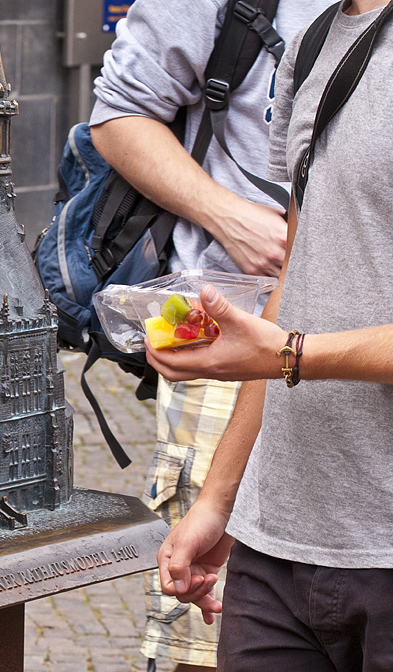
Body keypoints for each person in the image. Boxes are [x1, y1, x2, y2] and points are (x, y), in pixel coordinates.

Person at [87, 1, 334, 670]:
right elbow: (114, 119)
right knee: (216, 631)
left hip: (357, 343)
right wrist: (230, 217)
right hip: (220, 325)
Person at [147, 0, 393, 668]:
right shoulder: (315, 41)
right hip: (276, 552)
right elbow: (299, 274)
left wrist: (291, 355)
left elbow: (286, 347)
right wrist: (222, 499)